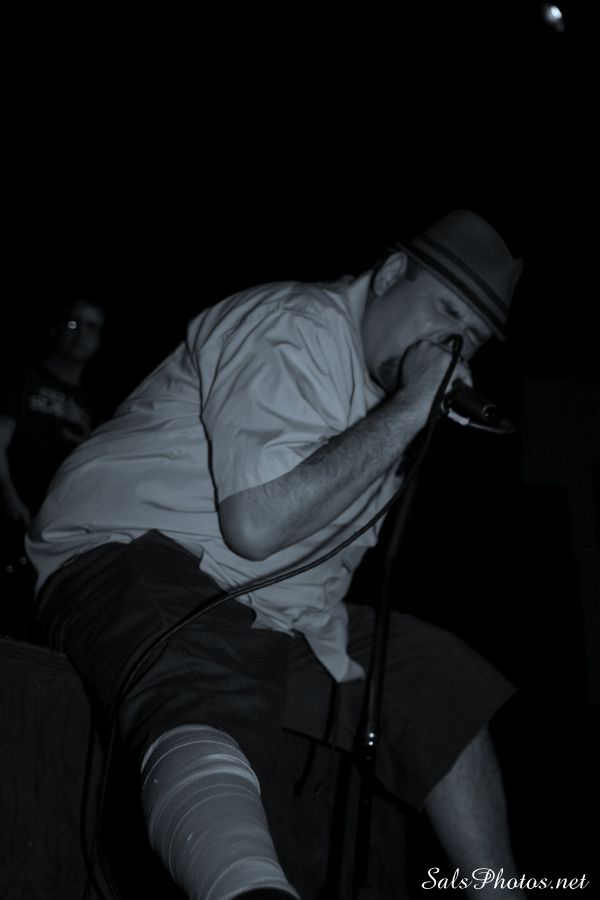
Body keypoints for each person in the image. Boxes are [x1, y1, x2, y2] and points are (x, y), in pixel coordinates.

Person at [26, 211, 524, 900]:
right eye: (445, 309)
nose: (451, 344)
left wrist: (404, 411)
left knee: (436, 678)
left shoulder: (387, 402)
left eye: (472, 336)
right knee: (203, 666)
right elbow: (256, 526)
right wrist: (413, 408)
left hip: (271, 614)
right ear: (390, 275)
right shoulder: (295, 325)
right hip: (132, 553)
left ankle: (501, 893)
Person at [0, 297, 105, 636]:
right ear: (55, 329)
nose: (81, 333)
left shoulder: (92, 403)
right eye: (74, 323)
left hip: (52, 527)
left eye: (91, 326)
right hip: (11, 514)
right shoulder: (23, 377)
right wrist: (10, 499)